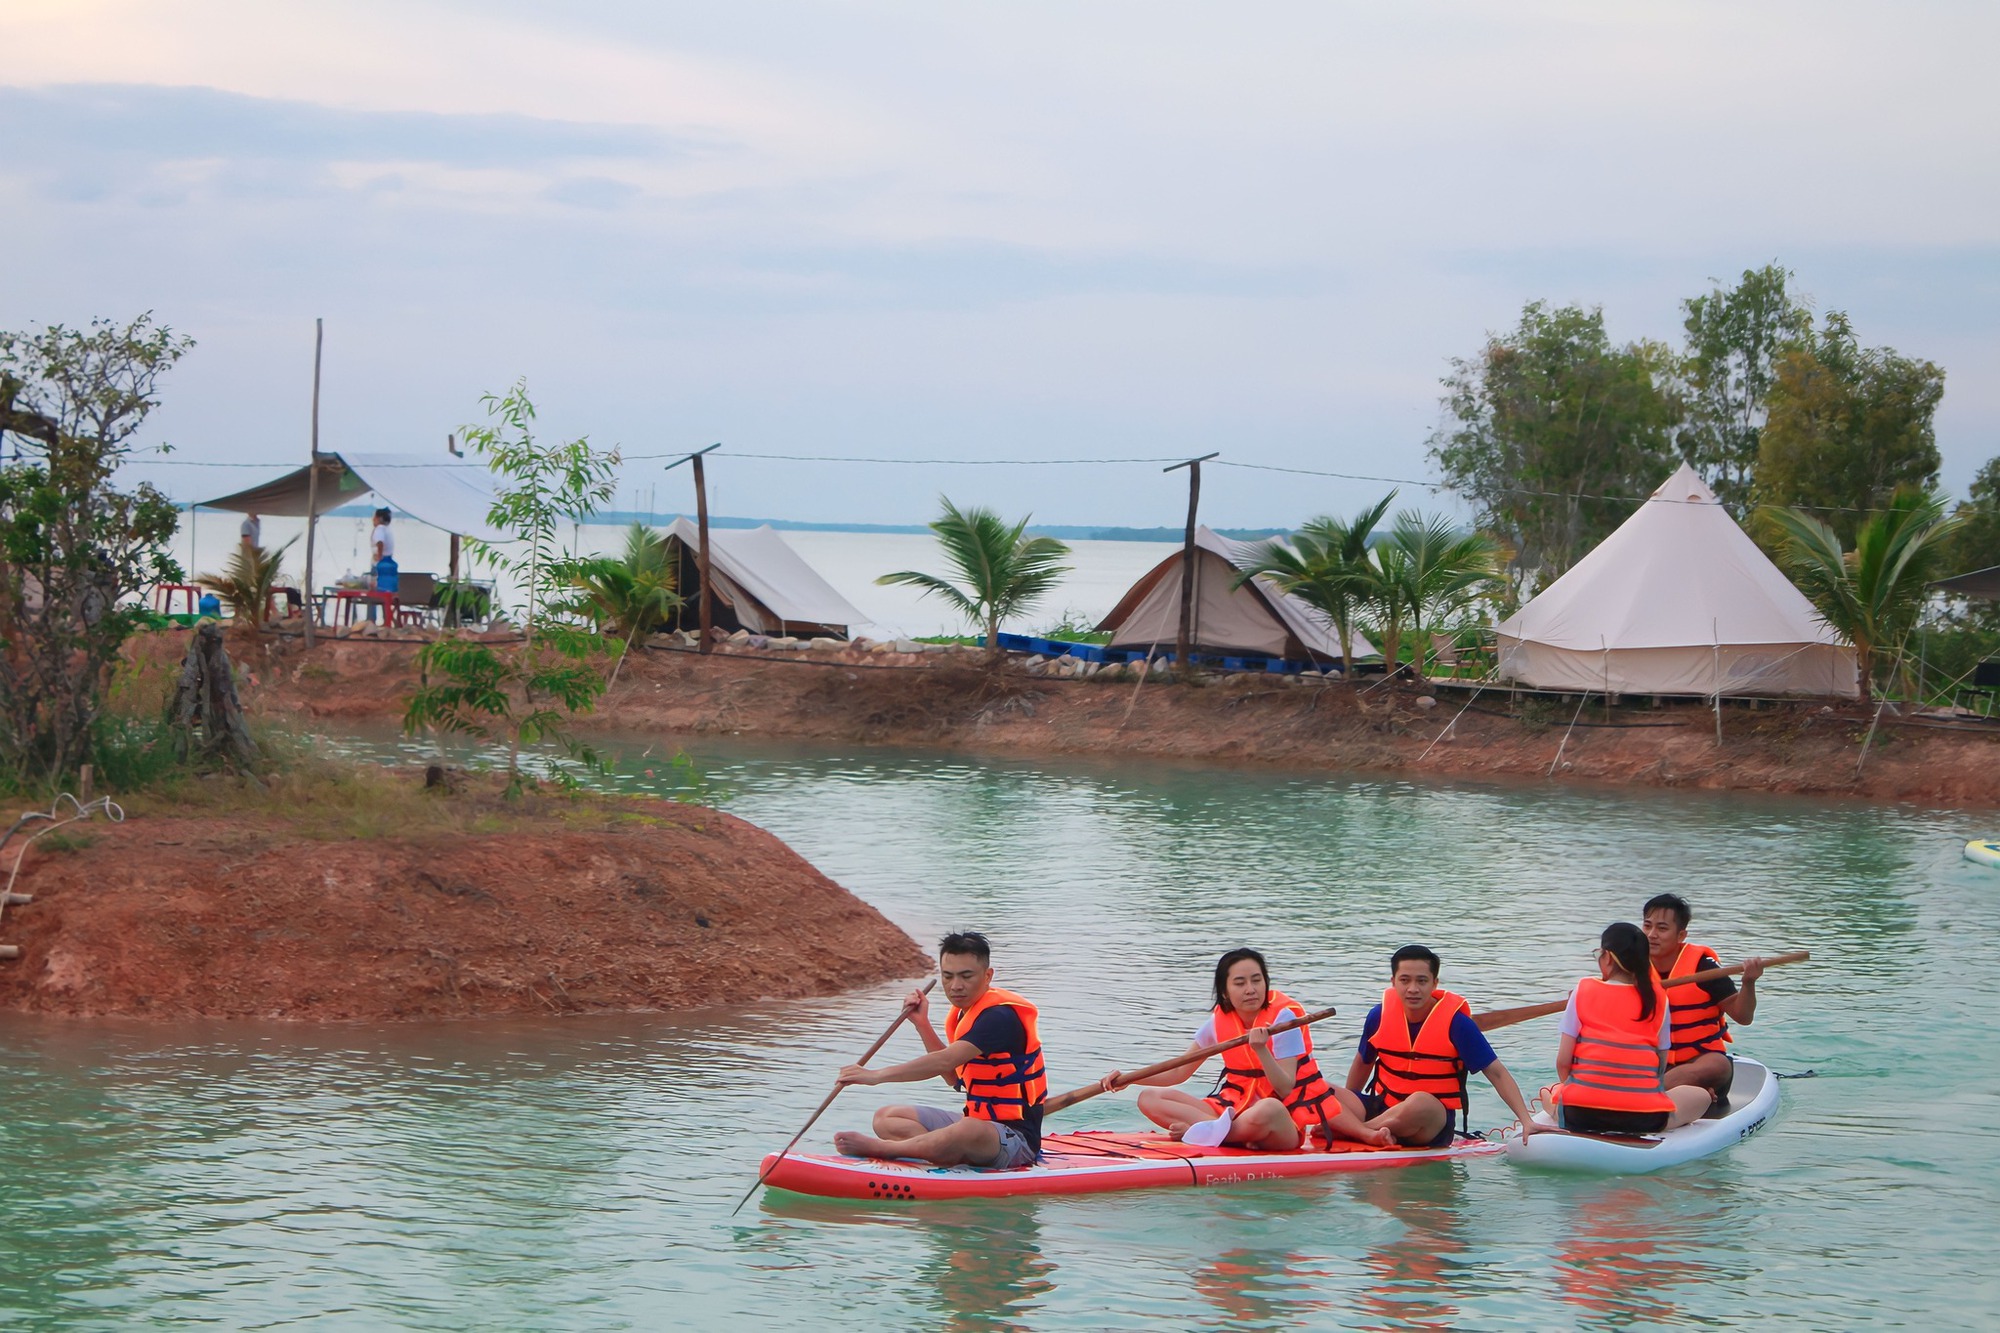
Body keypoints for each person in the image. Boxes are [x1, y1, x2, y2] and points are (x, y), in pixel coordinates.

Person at [1100, 947, 1374, 1151]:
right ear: (1224, 991)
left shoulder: (1284, 1019)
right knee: (1149, 1098)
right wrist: (1129, 1079)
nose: (1251, 989)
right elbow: (1181, 1071)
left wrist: (1262, 1051)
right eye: (1240, 983)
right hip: (1232, 1110)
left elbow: (1286, 1088)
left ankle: (1207, 1132)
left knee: (1268, 1108)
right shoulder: (1218, 1021)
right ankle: (1212, 1131)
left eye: (1257, 980)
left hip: (1279, 1123)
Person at [833, 932, 1046, 1169]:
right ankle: (938, 1151)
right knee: (887, 1117)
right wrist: (921, 1023)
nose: (955, 986)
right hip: (977, 1124)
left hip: (1015, 1140)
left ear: (987, 976)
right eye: (948, 976)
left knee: (967, 1129)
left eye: (966, 976)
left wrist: (875, 1076)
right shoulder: (963, 1015)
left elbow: (944, 1061)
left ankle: (887, 1149)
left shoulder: (999, 1017)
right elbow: (952, 1077)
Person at [1345, 945, 1536, 1147]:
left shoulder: (1458, 1024)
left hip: (1428, 1123)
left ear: (1434, 983)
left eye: (1422, 981)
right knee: (1323, 1091)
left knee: (1420, 1102)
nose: (1413, 989)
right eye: (1404, 980)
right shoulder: (1378, 1016)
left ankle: (1356, 1131)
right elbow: (1362, 1063)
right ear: (1393, 982)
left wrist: (1526, 1120)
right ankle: (1363, 1129)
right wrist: (1348, 1103)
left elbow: (1497, 1073)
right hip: (1383, 1108)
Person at [1541, 923, 1710, 1136]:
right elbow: (1660, 1066)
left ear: (1608, 958)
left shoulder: (1583, 988)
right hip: (1644, 1118)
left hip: (1580, 1115)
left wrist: (1578, 1090)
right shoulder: (1658, 998)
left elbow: (1563, 1062)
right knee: (1701, 1096)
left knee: (1547, 1090)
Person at [1641, 893, 1765, 1101]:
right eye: (1647, 926)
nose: (1652, 934)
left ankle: (1647, 1096)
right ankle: (1686, 1093)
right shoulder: (1630, 968)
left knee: (1717, 1066)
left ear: (1681, 935)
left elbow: (1743, 1017)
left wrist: (1748, 982)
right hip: (1651, 1061)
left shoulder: (1703, 967)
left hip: (1699, 1059)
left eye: (1662, 928)